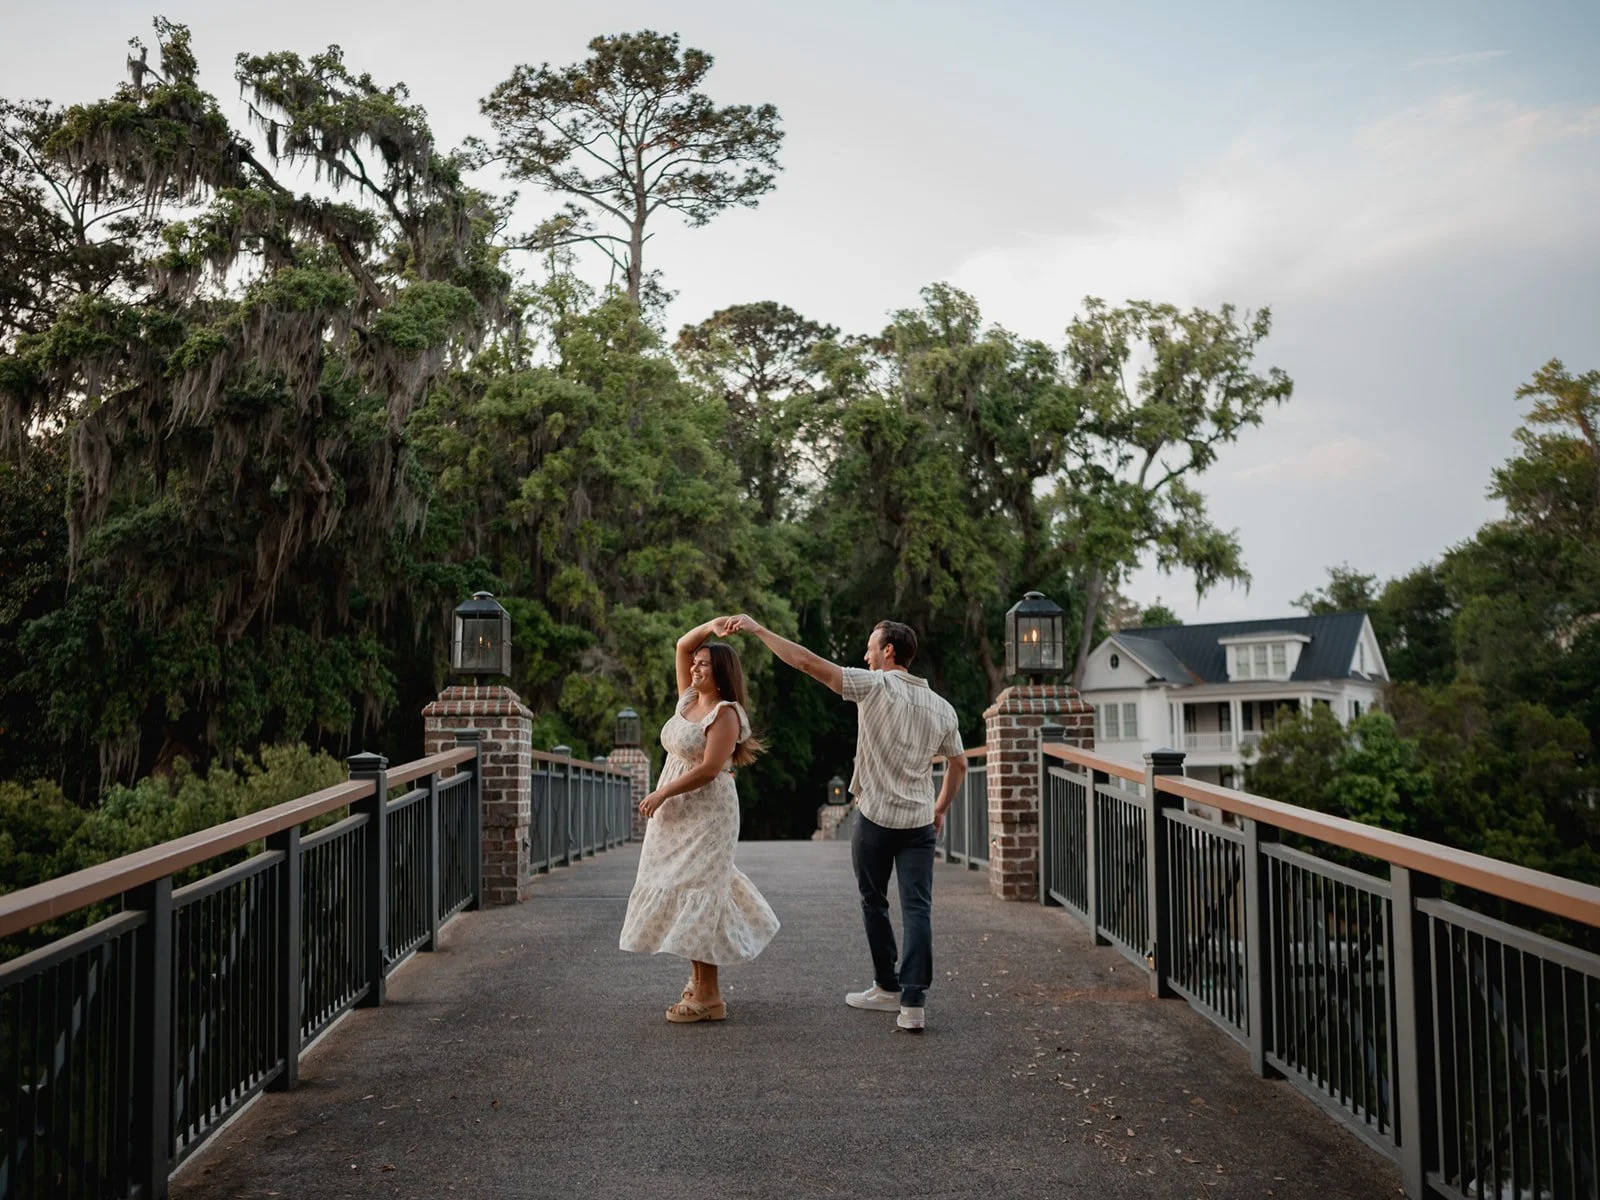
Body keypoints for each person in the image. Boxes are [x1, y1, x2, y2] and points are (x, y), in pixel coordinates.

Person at [723, 614, 966, 1033]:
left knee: (874, 901)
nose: (865, 655)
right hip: (919, 823)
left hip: (874, 818)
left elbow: (808, 663)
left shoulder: (874, 686)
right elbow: (959, 764)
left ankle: (886, 986)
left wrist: (760, 630)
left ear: (889, 650)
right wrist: (940, 808)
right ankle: (912, 1004)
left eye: (871, 646)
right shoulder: (942, 708)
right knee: (917, 908)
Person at [618, 617, 780, 1023]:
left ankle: (710, 996)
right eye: (697, 664)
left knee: (700, 888)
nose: (695, 668)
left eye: (705, 665)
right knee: (679, 886)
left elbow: (710, 769)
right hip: (676, 815)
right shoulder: (689, 700)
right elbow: (681, 645)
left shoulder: (726, 714)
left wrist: (662, 792)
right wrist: (713, 626)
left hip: (707, 813)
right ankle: (698, 980)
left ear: (722, 673)